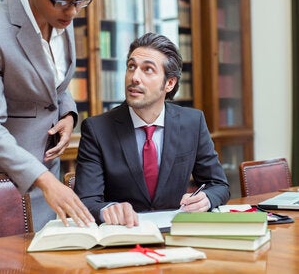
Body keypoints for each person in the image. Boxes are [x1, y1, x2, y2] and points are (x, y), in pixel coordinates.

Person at [74, 32, 230, 227]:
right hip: (123, 238)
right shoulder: (97, 129)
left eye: (148, 69)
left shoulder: (192, 122)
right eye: (131, 67)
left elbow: (219, 185)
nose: (134, 77)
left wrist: (207, 198)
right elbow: (86, 200)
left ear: (170, 83)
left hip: (178, 234)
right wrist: (108, 210)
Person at [0, 0, 95, 231]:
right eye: (63, 1)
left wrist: (68, 115)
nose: (73, 12)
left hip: (49, 168)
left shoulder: (63, 15)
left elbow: (53, 84)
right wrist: (45, 181)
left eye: (81, 1)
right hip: (6, 179)